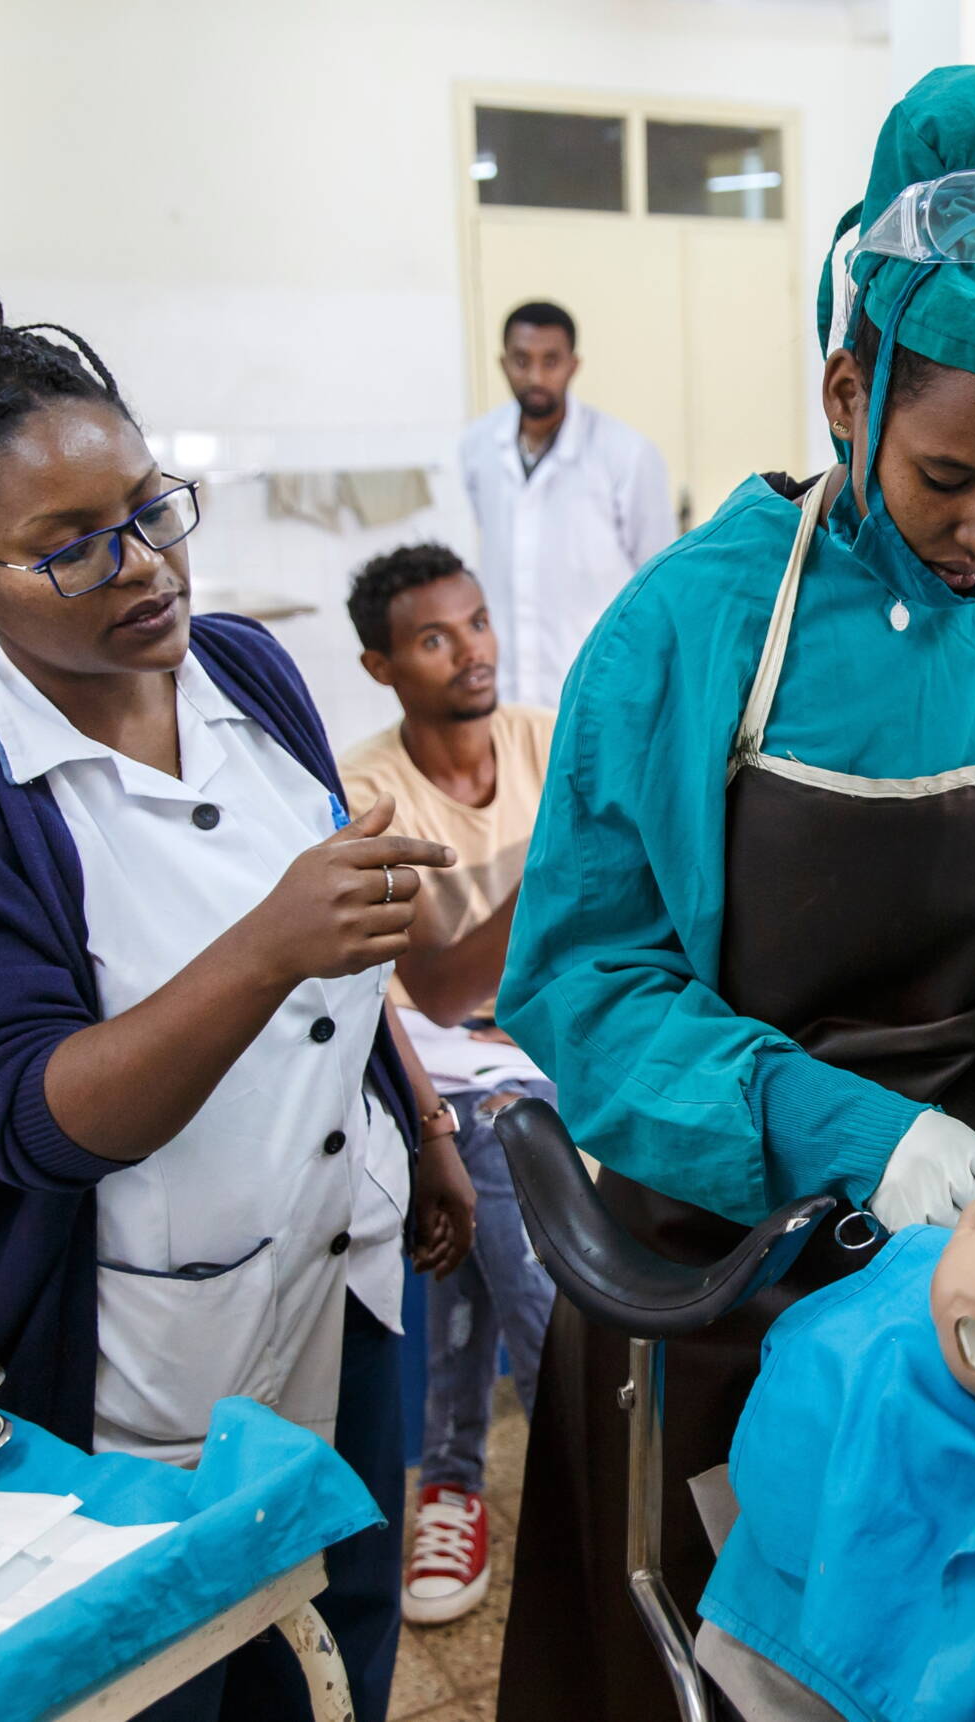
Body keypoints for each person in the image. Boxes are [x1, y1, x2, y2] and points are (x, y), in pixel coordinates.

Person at [491, 66, 975, 1722]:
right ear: (846, 386)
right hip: (721, 1256)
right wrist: (853, 1137)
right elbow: (591, 980)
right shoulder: (692, 629)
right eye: (950, 475)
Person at [0, 260, 477, 1722]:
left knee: (334, 1611)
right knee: (161, 1664)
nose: (143, 566)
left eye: (149, 509)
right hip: (122, 1330)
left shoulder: (243, 668)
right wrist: (263, 945)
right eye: (71, 546)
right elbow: (31, 1121)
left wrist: (419, 1124)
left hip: (341, 1258)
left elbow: (339, 944)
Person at [337, 542, 560, 1627]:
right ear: (381, 666)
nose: (472, 652)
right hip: (439, 1064)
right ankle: (589, 1464)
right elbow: (433, 989)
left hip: (550, 1043)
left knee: (474, 1181)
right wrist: (556, 876)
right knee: (497, 1139)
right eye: (434, 637)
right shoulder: (365, 790)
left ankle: (452, 1484)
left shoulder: (543, 743)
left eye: (475, 622)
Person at [458, 301, 676, 708]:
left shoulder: (625, 454)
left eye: (550, 361)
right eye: (521, 360)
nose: (535, 376)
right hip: (506, 693)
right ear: (503, 363)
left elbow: (660, 580)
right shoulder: (478, 447)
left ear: (573, 365)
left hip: (597, 688)